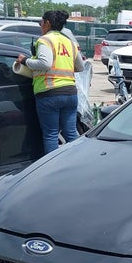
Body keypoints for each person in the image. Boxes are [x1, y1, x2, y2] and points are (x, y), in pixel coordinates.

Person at [17, 9, 84, 155]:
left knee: (51, 134)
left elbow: (45, 63)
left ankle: (52, 167)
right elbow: (80, 67)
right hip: (70, 93)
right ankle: (79, 161)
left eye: (41, 22)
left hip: (49, 92)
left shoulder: (45, 40)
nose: (40, 25)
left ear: (47, 23)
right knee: (71, 133)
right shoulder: (70, 42)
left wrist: (25, 61)